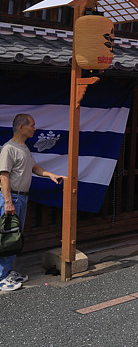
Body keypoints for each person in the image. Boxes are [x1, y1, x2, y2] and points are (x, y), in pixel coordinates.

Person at [0, 114, 64, 291]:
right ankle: (1, 276)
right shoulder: (9, 148)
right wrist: (7, 201)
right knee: (6, 236)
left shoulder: (23, 148)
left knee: (14, 237)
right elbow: (3, 176)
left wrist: (50, 174)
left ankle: (7, 271)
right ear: (21, 127)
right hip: (11, 197)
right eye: (32, 125)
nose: (35, 129)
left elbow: (34, 167)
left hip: (21, 197)